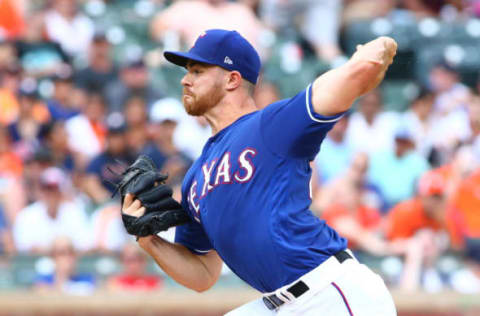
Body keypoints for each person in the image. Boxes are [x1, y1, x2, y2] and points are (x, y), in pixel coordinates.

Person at [122, 29, 397, 315]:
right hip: (278, 304)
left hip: (329, 292)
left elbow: (354, 76)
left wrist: (374, 51)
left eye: (198, 70)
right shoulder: (195, 177)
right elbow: (203, 274)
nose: (185, 79)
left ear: (232, 79)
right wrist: (148, 240)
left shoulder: (272, 126)